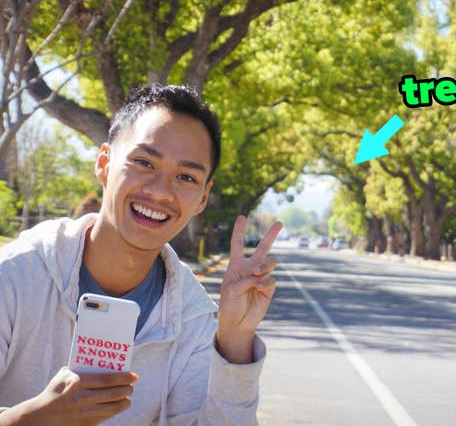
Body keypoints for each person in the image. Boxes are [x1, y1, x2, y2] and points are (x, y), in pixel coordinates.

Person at [0, 84, 282, 425]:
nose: (160, 191)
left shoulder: (192, 318)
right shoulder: (15, 275)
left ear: (203, 199)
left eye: (186, 176)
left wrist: (236, 340)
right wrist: (33, 418)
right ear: (104, 163)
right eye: (144, 162)